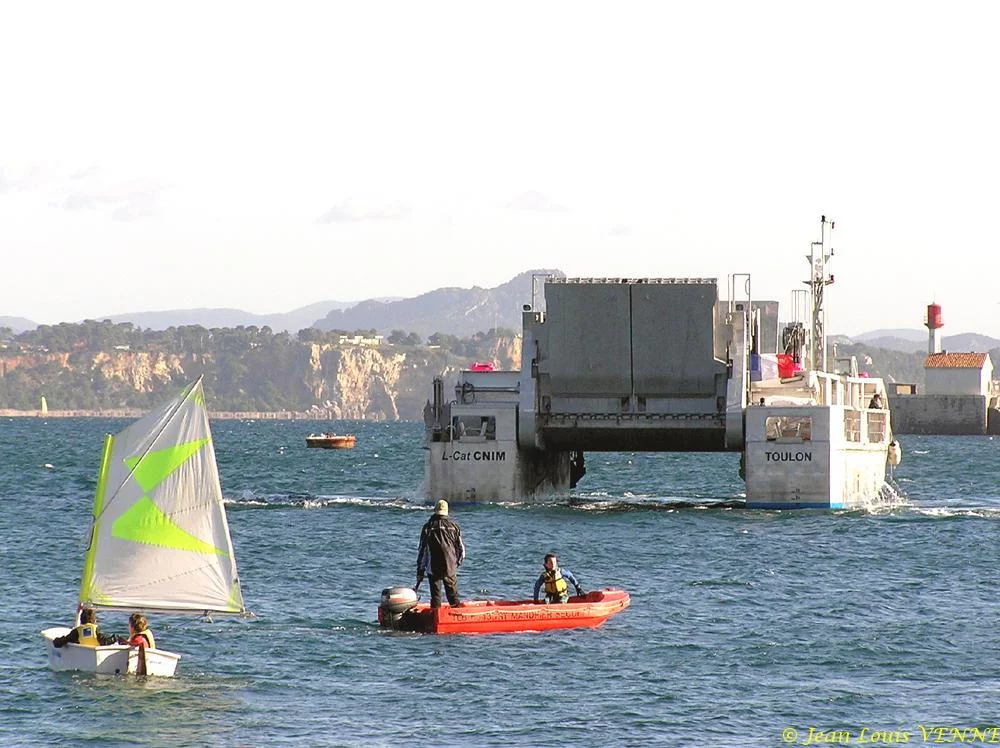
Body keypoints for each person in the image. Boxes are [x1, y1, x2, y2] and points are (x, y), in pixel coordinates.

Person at [415, 499, 465, 608]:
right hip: (450, 566)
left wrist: (420, 571)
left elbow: (422, 551)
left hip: (433, 567)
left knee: (436, 596)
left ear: (435, 510)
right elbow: (461, 550)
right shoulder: (454, 526)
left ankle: (436, 616)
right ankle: (456, 615)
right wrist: (456, 564)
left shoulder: (428, 527)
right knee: (453, 596)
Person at [53, 607, 117, 647]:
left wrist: (55, 641)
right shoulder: (96, 630)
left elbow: (59, 643)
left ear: (81, 620)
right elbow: (105, 641)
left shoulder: (77, 631)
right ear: (94, 620)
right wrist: (116, 638)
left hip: (83, 656)